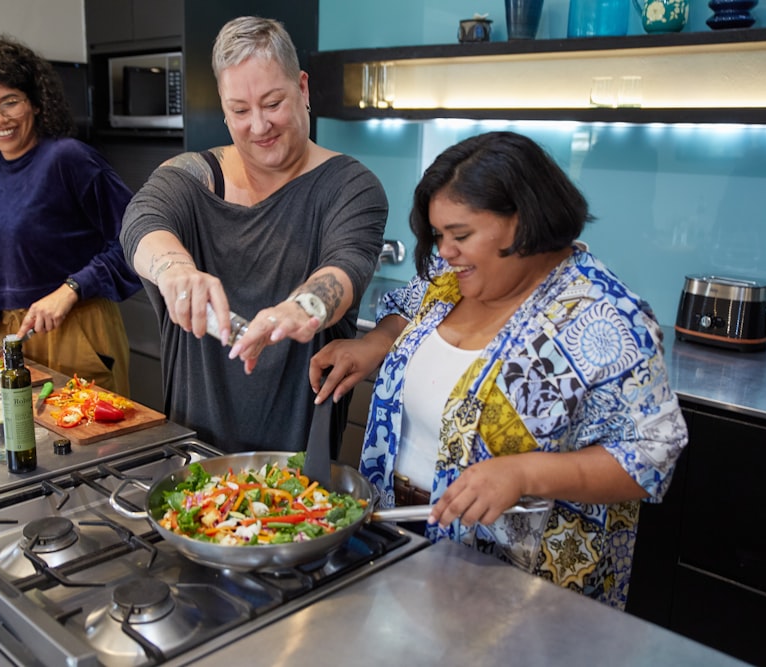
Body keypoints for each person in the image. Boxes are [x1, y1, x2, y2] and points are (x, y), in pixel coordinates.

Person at [309, 131, 688, 610]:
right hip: (396, 538)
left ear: (523, 220)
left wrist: (524, 472)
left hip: (516, 584)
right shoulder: (453, 277)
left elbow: (651, 456)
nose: (445, 251)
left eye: (461, 235)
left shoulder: (605, 317)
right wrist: (376, 344)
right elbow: (408, 305)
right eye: (439, 236)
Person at [120, 16, 387, 454]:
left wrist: (301, 308)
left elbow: (348, 264)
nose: (259, 125)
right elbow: (141, 220)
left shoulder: (350, 186)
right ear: (224, 111)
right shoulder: (191, 177)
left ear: (302, 88)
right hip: (191, 461)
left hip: (300, 472)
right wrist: (175, 271)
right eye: (241, 110)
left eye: (272, 103)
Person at [0, 35, 142, 395]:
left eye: (9, 102)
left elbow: (138, 239)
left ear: (36, 102)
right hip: (11, 338)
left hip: (80, 330)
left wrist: (72, 289)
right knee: (25, 443)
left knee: (91, 443)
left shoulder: (70, 159)